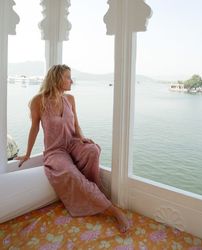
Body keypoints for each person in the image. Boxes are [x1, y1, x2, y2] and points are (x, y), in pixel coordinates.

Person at [16, 64, 129, 232]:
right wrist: (28, 153)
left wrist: (82, 138)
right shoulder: (38, 101)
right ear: (57, 79)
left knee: (93, 150)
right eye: (68, 77)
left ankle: (93, 191)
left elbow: (76, 124)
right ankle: (113, 210)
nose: (71, 81)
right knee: (70, 173)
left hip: (73, 143)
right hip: (55, 151)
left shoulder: (70, 99)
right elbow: (34, 128)